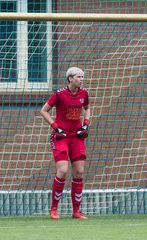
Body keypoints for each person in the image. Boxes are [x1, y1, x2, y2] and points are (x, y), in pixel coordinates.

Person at [40, 67, 90, 220]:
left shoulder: (84, 93)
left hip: (77, 136)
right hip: (61, 137)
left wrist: (86, 124)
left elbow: (87, 108)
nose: (81, 79)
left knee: (79, 172)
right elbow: (44, 110)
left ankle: (76, 211)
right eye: (78, 77)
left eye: (82, 77)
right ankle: (54, 209)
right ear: (70, 78)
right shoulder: (59, 94)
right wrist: (55, 127)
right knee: (62, 171)